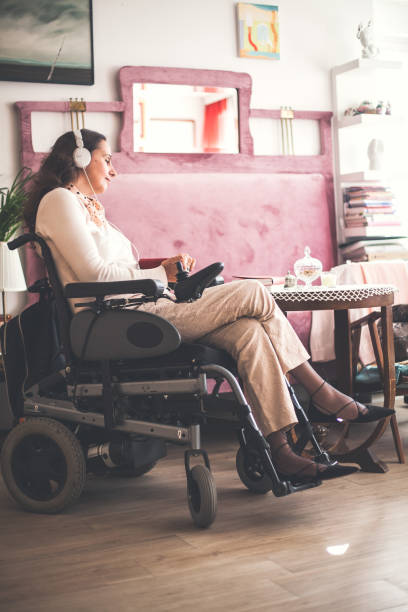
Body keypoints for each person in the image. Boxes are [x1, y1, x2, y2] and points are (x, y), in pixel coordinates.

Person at [23, 129, 393, 483]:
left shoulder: (87, 207)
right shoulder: (59, 201)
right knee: (254, 293)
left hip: (137, 310)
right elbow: (95, 274)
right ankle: (323, 393)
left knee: (248, 332)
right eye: (106, 159)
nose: (114, 169)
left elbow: (117, 268)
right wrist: (161, 275)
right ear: (81, 157)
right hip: (113, 322)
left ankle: (280, 449)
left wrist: (161, 266)